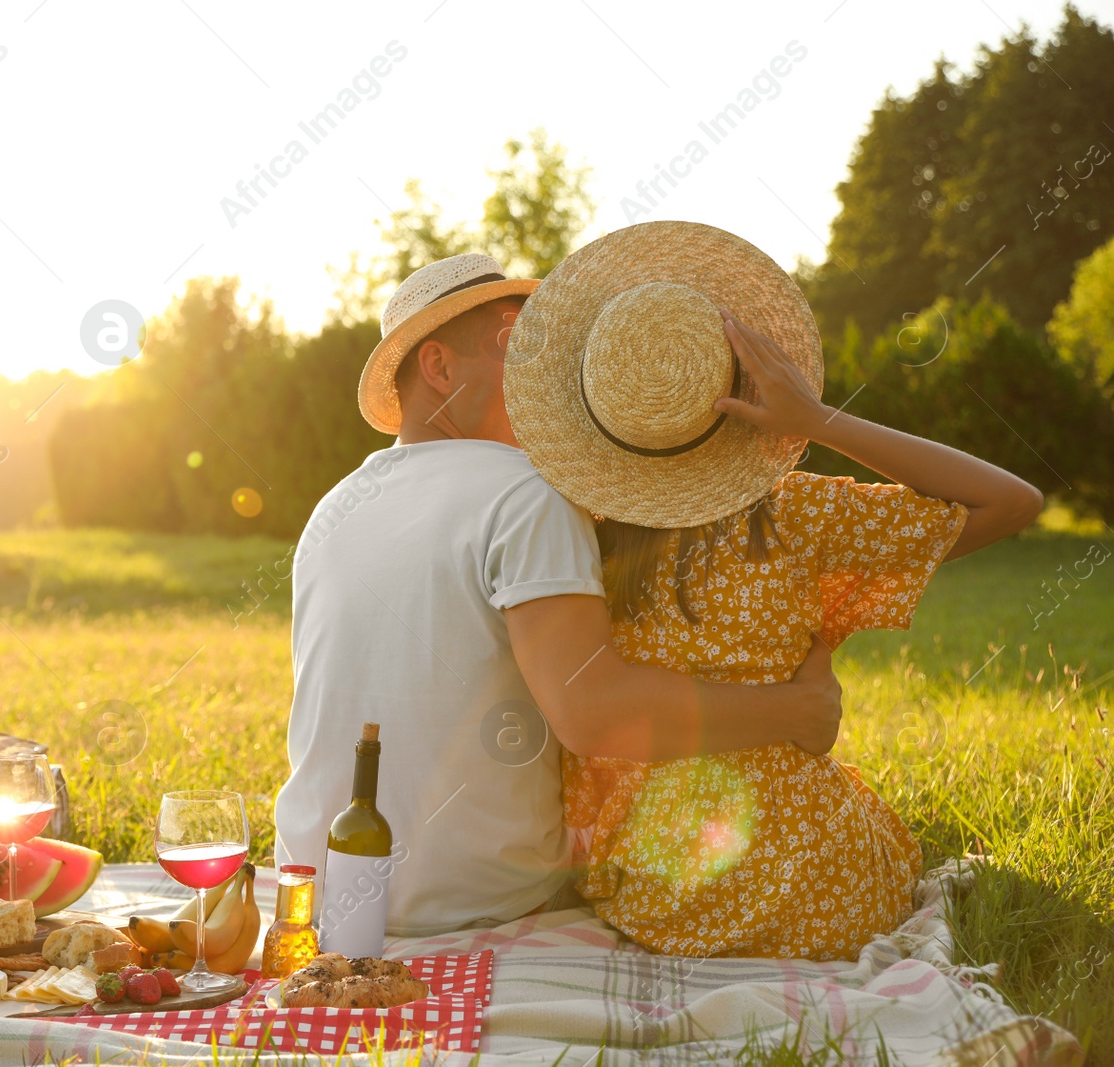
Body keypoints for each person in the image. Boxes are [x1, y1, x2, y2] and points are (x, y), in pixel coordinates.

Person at [501, 221, 1042, 959]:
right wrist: (817, 420)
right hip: (826, 886)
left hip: (663, 902)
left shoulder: (564, 533)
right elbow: (1010, 501)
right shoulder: (800, 518)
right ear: (742, 387)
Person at [273, 252, 847, 938]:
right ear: (438, 368)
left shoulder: (335, 506)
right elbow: (594, 713)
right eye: (517, 345)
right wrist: (794, 709)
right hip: (474, 905)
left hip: (320, 898)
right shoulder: (525, 494)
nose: (548, 372)